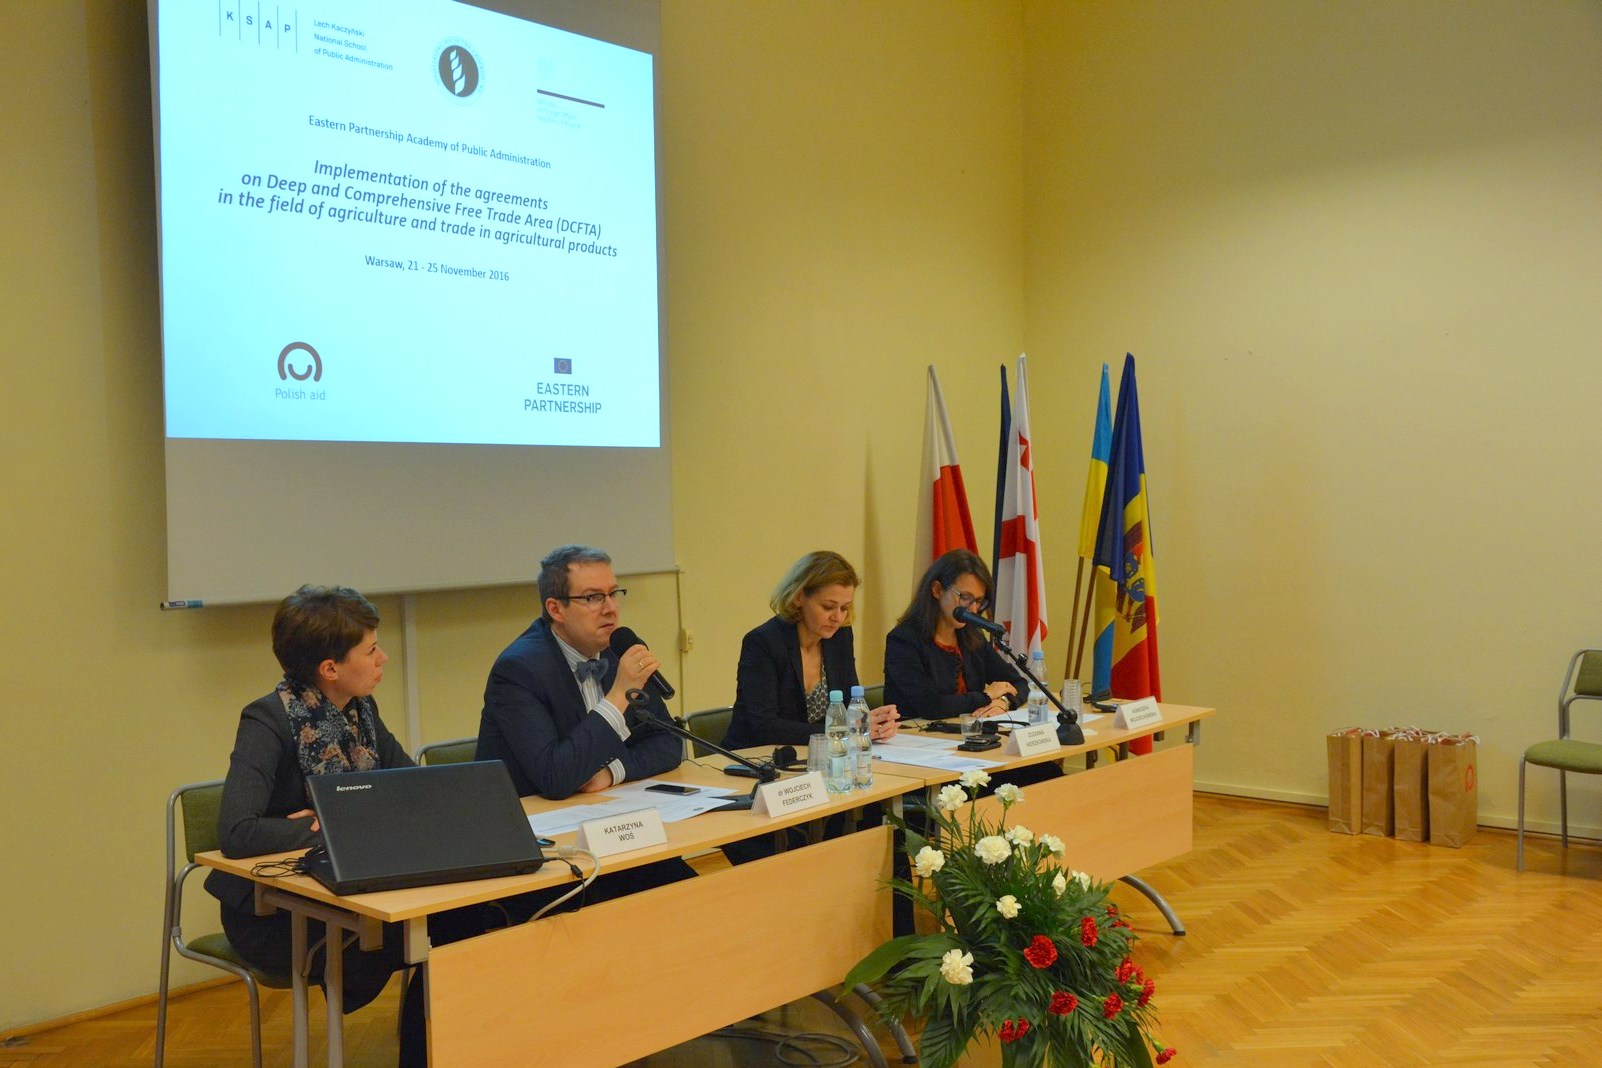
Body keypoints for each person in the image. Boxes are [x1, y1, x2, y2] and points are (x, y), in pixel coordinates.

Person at [206, 585, 478, 1068]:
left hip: (349, 885)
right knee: (440, 930)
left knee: (471, 920)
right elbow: (238, 832)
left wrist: (337, 817)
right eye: (371, 650)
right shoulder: (267, 720)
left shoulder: (360, 709)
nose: (383, 658)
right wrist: (337, 823)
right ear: (330, 668)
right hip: (272, 913)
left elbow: (410, 791)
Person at [476, 545, 693, 905]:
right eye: (593, 597)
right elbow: (555, 777)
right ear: (555, 609)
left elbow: (669, 742)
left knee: (691, 896)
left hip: (613, 832)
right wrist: (619, 695)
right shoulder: (518, 670)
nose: (610, 608)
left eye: (613, 593)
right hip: (542, 859)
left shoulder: (617, 650)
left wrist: (612, 772)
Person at [725, 550, 900, 750]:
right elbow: (765, 726)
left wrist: (871, 721)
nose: (837, 618)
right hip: (754, 756)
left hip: (816, 754)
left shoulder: (840, 636)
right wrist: (841, 731)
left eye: (844, 608)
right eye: (828, 607)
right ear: (799, 597)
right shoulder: (763, 642)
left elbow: (848, 703)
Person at [884, 549, 1029, 721]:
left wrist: (1004, 702)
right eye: (965, 597)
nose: (973, 609)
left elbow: (1019, 684)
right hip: (914, 734)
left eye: (978, 601)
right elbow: (931, 706)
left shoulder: (972, 636)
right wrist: (987, 696)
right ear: (937, 590)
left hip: (967, 731)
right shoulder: (903, 641)